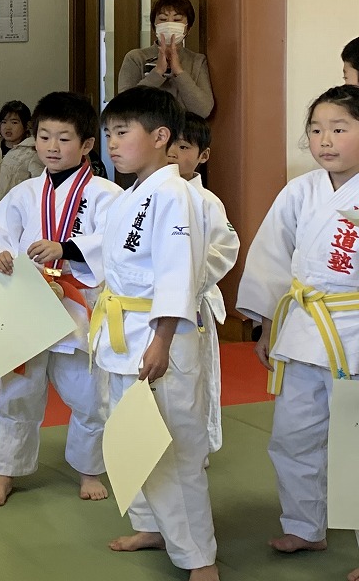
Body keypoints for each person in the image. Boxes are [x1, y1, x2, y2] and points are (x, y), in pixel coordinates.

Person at [69, 86, 217, 581]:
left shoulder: (174, 194)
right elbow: (106, 253)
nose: (112, 143)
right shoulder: (134, 194)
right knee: (133, 438)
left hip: (159, 337)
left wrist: (162, 340)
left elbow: (177, 271)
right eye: (108, 133)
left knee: (171, 448)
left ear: (159, 136)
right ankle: (152, 525)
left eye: (122, 132)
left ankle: (199, 558)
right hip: (123, 334)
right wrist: (62, 251)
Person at [0, 91, 120, 507]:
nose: (52, 147)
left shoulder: (107, 195)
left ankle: (89, 468)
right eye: (44, 137)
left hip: (78, 302)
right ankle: (7, 470)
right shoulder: (23, 193)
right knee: (15, 390)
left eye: (64, 138)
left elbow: (115, 244)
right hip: (28, 301)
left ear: (87, 144)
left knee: (90, 393)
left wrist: (68, 249)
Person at [236, 84, 359, 561]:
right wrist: (268, 327)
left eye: (339, 129)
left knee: (354, 443)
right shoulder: (301, 191)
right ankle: (305, 526)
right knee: (293, 436)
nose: (324, 140)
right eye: (316, 129)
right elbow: (271, 259)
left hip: (354, 330)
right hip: (304, 328)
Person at [168, 112, 239, 456]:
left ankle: (200, 444)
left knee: (196, 374)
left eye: (183, 147)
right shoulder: (143, 193)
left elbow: (225, 249)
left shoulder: (207, 201)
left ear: (203, 155)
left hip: (193, 302)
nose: (172, 153)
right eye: (168, 143)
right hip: (148, 302)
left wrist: (187, 284)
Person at [117, 0, 214, 117]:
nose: (169, 24)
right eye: (163, 19)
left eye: (177, 20)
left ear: (188, 28)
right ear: (154, 26)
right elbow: (124, 106)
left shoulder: (197, 61)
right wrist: (157, 72)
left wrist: (179, 72)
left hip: (183, 129)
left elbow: (204, 110)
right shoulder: (136, 58)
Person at [0, 100, 43, 202]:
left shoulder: (32, 151)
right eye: (3, 122)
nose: (8, 127)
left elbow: (38, 186)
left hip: (15, 206)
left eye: (14, 122)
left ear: (27, 125)